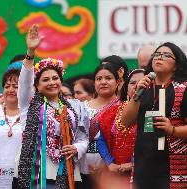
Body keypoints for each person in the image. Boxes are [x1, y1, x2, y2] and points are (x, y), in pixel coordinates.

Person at [17, 25, 89, 188]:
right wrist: (30, 53)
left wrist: (76, 148)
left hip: (67, 171)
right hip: (36, 173)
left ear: (61, 81)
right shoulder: (30, 104)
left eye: (55, 78)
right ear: (37, 86)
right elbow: (24, 83)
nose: (51, 82)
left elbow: (83, 138)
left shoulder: (75, 107)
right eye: (45, 79)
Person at [122, 42, 187, 189]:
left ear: (176, 65)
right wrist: (136, 95)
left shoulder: (183, 90)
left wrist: (173, 130)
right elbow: (125, 122)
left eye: (166, 55)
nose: (159, 57)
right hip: (143, 163)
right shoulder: (143, 87)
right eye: (156, 55)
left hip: (173, 166)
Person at [97, 69, 145, 188]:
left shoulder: (156, 111)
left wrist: (133, 164)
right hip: (115, 173)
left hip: (144, 173)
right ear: (126, 87)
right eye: (133, 83)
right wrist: (109, 163)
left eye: (142, 82)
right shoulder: (111, 112)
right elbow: (101, 140)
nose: (137, 86)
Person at [80, 63, 120, 189]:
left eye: (108, 78)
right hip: (83, 170)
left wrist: (106, 164)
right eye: (99, 79)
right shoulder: (82, 107)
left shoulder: (123, 107)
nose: (103, 82)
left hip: (112, 170)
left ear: (118, 82)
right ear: (94, 83)